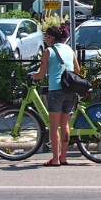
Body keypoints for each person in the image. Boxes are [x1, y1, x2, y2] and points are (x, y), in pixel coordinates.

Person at [31, 22, 79, 166]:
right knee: (65, 125)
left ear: (52, 38)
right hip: (70, 89)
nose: (45, 39)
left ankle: (55, 159)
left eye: (46, 36)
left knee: (53, 126)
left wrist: (34, 75)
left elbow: (41, 74)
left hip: (56, 90)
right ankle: (63, 156)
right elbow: (77, 69)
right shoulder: (70, 49)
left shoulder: (48, 51)